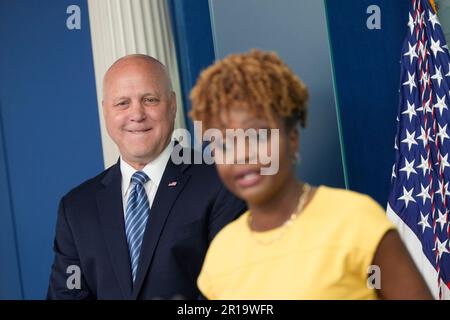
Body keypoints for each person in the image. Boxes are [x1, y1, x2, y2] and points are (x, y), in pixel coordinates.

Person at [190, 49, 433, 299]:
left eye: (258, 136)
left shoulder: (354, 220)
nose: (241, 155)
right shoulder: (221, 253)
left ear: (292, 138)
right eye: (223, 144)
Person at [47, 54, 246, 299]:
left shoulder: (221, 182)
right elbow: (68, 295)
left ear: (172, 105)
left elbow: (233, 290)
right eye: (122, 103)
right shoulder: (76, 208)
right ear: (105, 111)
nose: (137, 114)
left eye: (149, 100)